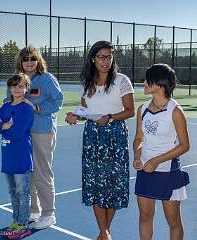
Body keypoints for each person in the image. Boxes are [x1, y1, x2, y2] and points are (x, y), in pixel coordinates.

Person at [65, 40, 135, 240]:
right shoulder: (86, 82)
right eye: (101, 57)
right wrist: (75, 116)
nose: (105, 61)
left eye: (109, 56)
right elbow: (86, 112)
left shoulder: (122, 80)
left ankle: (105, 231)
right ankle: (103, 232)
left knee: (113, 184)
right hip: (92, 137)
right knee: (95, 184)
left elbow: (129, 111)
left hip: (115, 137)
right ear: (93, 59)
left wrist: (110, 117)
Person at [133, 63, 190, 240]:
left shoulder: (175, 111)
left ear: (160, 83)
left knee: (173, 221)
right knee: (144, 217)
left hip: (168, 171)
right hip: (145, 171)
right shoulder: (142, 110)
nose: (144, 82)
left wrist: (157, 160)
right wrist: (137, 156)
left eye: (148, 79)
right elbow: (139, 139)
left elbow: (184, 145)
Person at [12, 44, 63, 229]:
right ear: (21, 61)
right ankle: (34, 210)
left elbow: (58, 101)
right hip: (23, 133)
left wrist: (37, 108)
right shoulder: (20, 80)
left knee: (42, 172)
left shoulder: (47, 79)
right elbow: (12, 100)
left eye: (33, 58)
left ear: (38, 60)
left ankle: (49, 214)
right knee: (28, 173)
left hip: (42, 131)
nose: (29, 62)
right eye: (25, 59)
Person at [0, 73, 34, 239]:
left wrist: (3, 124)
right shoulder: (6, 106)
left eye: (21, 86)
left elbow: (17, 132)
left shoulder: (27, 109)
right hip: (7, 157)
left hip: (21, 157)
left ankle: (23, 225)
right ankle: (15, 222)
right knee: (13, 192)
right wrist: (3, 125)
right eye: (14, 85)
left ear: (26, 88)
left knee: (23, 193)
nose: (17, 88)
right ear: (9, 88)